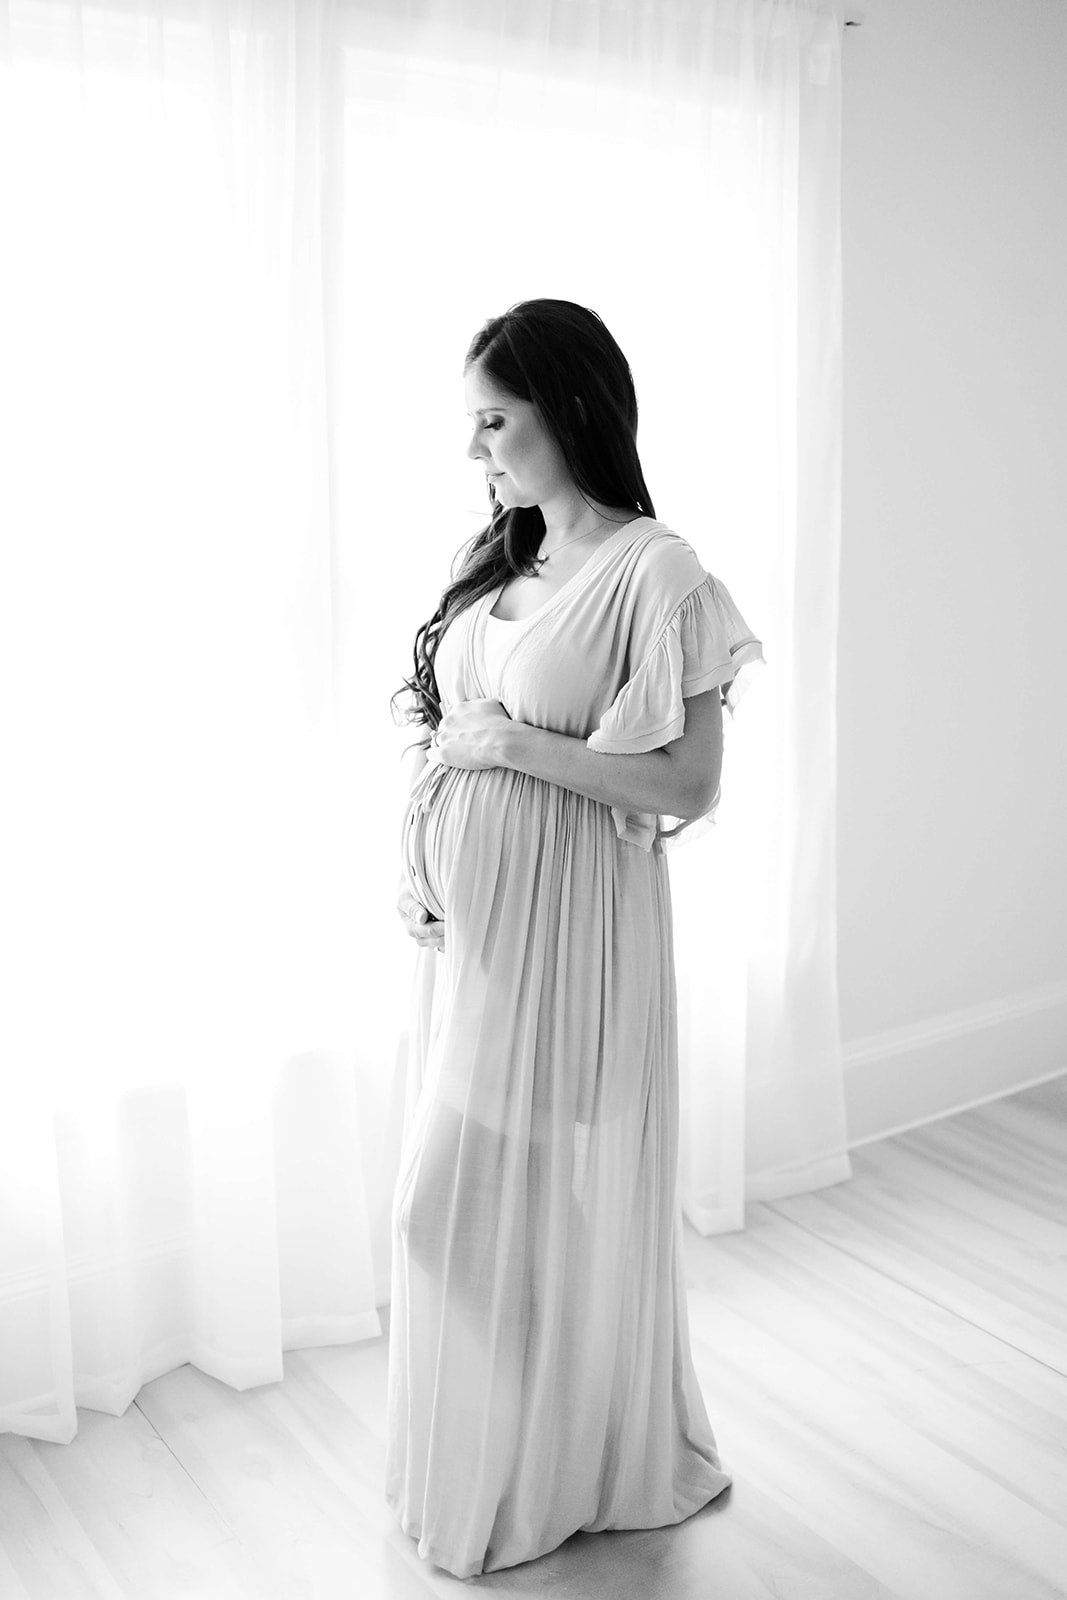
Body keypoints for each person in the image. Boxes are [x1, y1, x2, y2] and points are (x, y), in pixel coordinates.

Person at [387, 298, 764, 1579]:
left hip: (571, 937)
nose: (476, 447)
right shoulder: (503, 557)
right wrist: (419, 865)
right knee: (495, 1209)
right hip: (478, 941)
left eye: (495, 419)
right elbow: (449, 739)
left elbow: (683, 784)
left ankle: (559, 1458)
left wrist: (507, 747)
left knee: (470, 1209)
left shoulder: (655, 570)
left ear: (573, 408)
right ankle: (525, 1452)